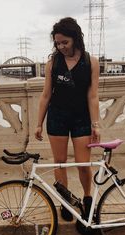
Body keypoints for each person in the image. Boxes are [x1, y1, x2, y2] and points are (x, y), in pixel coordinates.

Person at [34, 17, 100, 223]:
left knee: (83, 163)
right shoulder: (52, 63)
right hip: (58, 117)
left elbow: (92, 95)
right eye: (57, 43)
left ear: (75, 39)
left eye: (65, 42)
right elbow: (46, 95)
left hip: (81, 117)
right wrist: (38, 123)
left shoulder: (91, 61)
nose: (61, 46)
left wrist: (95, 124)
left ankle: (88, 199)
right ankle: (65, 200)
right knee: (60, 163)